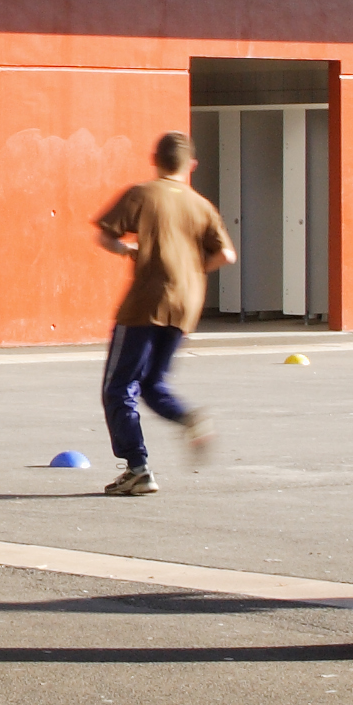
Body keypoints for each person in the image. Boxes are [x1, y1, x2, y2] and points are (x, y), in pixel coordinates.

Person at [87, 132, 234, 498]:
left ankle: (137, 468)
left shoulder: (142, 193)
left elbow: (105, 235)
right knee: (152, 384)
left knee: (118, 386)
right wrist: (192, 269)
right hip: (186, 303)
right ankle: (189, 418)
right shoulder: (201, 205)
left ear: (155, 159)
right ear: (191, 165)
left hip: (145, 302)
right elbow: (226, 255)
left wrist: (127, 250)